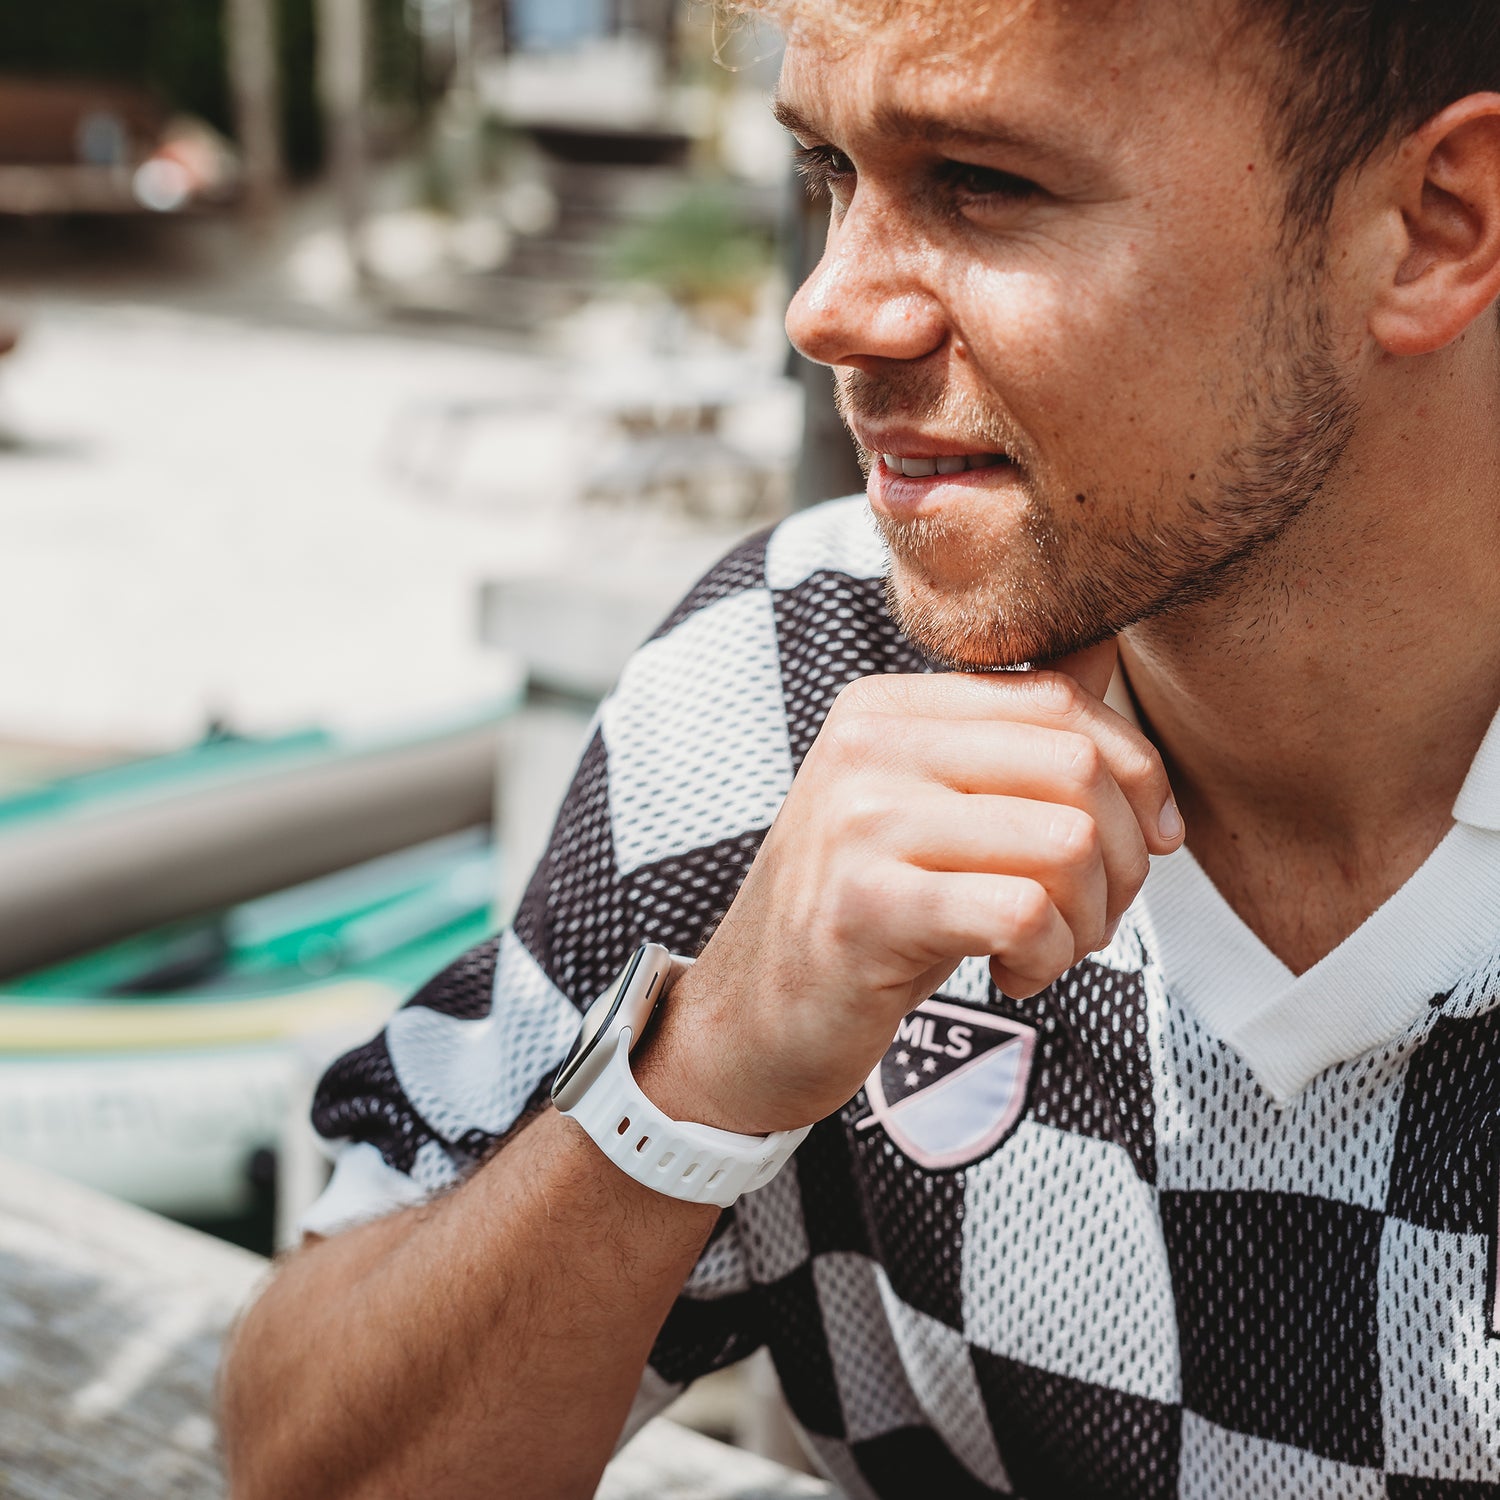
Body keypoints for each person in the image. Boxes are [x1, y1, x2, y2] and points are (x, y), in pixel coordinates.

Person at [218, 0, 1500, 1494]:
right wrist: (696, 1077)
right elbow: (307, 1466)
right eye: (828, 172)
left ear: (1430, 225)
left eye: (983, 183)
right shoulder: (788, 682)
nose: (826, 306)